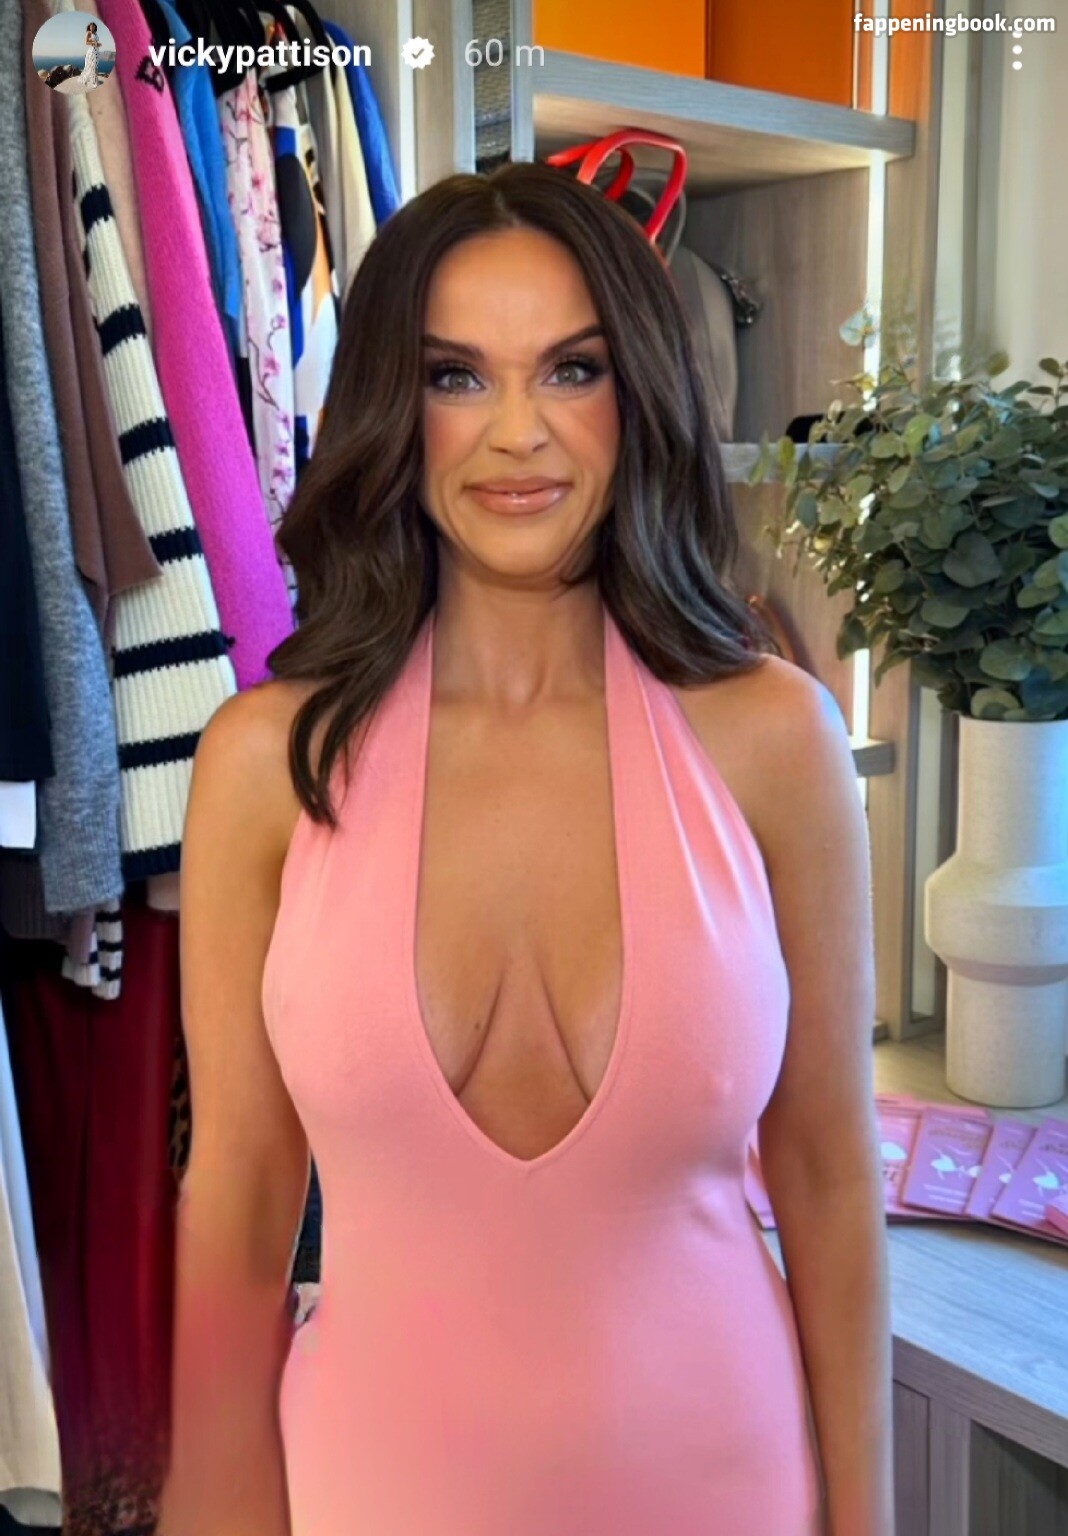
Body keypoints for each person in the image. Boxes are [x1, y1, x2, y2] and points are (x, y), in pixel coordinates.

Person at [159, 161, 894, 1536]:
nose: (516, 433)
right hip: (369, 1493)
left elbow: (830, 1180)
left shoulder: (775, 740)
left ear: (638, 394)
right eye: (456, 376)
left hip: (727, 1487)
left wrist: (868, 1523)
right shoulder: (265, 765)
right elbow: (241, 1201)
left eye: (571, 369)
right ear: (393, 406)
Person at [79, 22, 99, 90]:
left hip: (96, 51)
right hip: (91, 51)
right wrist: (94, 43)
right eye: (91, 26)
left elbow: (96, 42)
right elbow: (86, 42)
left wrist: (98, 44)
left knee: (95, 66)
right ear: (89, 27)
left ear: (95, 27)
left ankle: (93, 80)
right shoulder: (89, 33)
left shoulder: (95, 34)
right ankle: (93, 82)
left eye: (93, 26)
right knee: (92, 66)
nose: (92, 27)